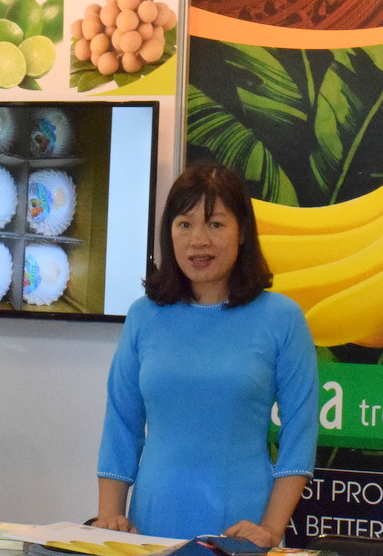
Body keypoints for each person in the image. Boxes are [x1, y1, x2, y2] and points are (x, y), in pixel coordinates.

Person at [94, 162, 318, 545]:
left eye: (215, 224)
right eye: (185, 224)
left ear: (242, 231)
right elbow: (121, 424)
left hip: (242, 531)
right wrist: (109, 519)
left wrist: (271, 529)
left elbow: (300, 433)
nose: (198, 240)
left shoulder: (282, 317)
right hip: (151, 527)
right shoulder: (144, 315)